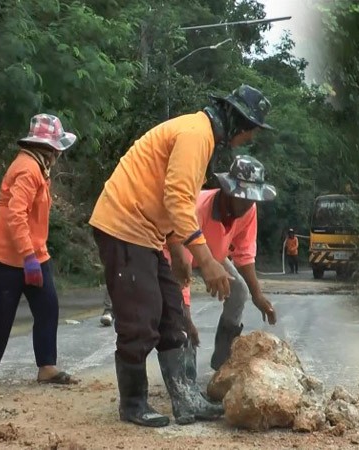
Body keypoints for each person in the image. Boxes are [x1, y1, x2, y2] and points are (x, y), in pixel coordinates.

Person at [89, 83, 274, 427]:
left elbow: (178, 200)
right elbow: (177, 197)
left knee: (173, 316)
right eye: (249, 132)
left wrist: (177, 247)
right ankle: (132, 404)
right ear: (238, 122)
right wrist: (205, 259)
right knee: (140, 319)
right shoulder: (195, 135)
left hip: (149, 230)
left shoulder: (199, 137)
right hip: (124, 224)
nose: (247, 139)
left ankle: (187, 399)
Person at [0, 114, 79, 386]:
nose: (59, 153)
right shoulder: (27, 169)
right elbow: (16, 214)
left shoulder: (37, 168)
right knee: (3, 309)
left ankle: (47, 367)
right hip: (12, 255)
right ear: (48, 149)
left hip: (33, 252)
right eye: (57, 148)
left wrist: (33, 255)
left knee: (48, 307)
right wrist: (27, 257)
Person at [167, 155, 278, 380]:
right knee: (178, 314)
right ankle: (186, 378)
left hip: (214, 256)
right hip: (177, 254)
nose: (248, 204)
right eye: (243, 198)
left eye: (252, 199)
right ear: (228, 190)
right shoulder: (198, 209)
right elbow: (181, 272)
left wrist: (258, 296)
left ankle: (223, 361)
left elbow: (244, 255)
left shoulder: (248, 210)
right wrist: (186, 317)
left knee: (239, 292)